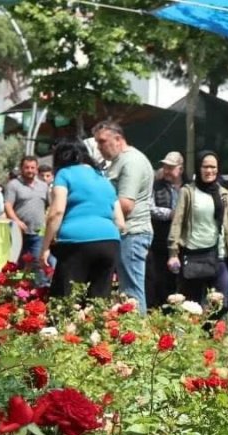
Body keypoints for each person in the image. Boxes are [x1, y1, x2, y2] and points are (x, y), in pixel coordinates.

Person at [40, 139, 121, 301]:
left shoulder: (65, 174)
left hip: (76, 242)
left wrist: (45, 247)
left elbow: (57, 212)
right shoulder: (103, 180)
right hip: (110, 241)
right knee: (98, 301)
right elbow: (120, 221)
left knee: (66, 299)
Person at [91, 121, 155, 313]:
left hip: (133, 233)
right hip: (126, 233)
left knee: (132, 292)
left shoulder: (131, 161)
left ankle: (138, 330)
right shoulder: (120, 161)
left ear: (118, 139)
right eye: (97, 142)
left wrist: (98, 218)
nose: (99, 147)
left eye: (102, 141)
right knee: (126, 292)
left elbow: (126, 204)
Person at [167, 151, 228, 304]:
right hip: (194, 256)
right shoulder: (188, 192)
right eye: (205, 167)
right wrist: (173, 252)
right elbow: (177, 223)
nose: (209, 171)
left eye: (213, 167)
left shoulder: (223, 193)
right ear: (198, 168)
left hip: (219, 256)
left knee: (221, 304)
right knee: (192, 305)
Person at [149, 151, 185, 309]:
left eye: (171, 167)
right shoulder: (156, 186)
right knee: (161, 281)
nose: (167, 171)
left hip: (185, 242)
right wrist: (171, 214)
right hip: (161, 241)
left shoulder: (189, 187)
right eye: (165, 167)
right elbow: (150, 208)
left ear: (180, 169)